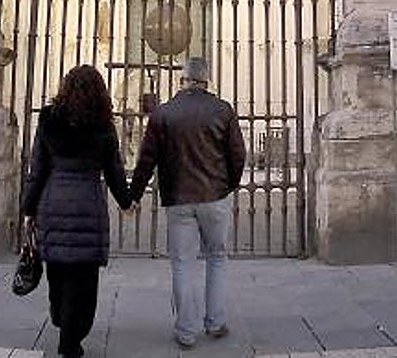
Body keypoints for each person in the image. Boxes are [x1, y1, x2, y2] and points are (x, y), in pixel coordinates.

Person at [128, 57, 247, 348]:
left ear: (182, 80)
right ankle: (216, 321)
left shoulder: (163, 113)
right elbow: (238, 154)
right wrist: (227, 185)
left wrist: (132, 195)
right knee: (217, 258)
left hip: (178, 198)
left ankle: (185, 330)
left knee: (182, 263)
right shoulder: (223, 110)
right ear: (207, 81)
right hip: (215, 196)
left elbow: (146, 160)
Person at [22, 65, 132, 358]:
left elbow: (38, 168)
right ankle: (72, 335)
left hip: (54, 201)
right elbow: (114, 171)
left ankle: (60, 316)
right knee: (84, 280)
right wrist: (125, 201)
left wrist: (28, 208)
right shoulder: (103, 124)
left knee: (57, 269)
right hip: (88, 204)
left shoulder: (49, 119)